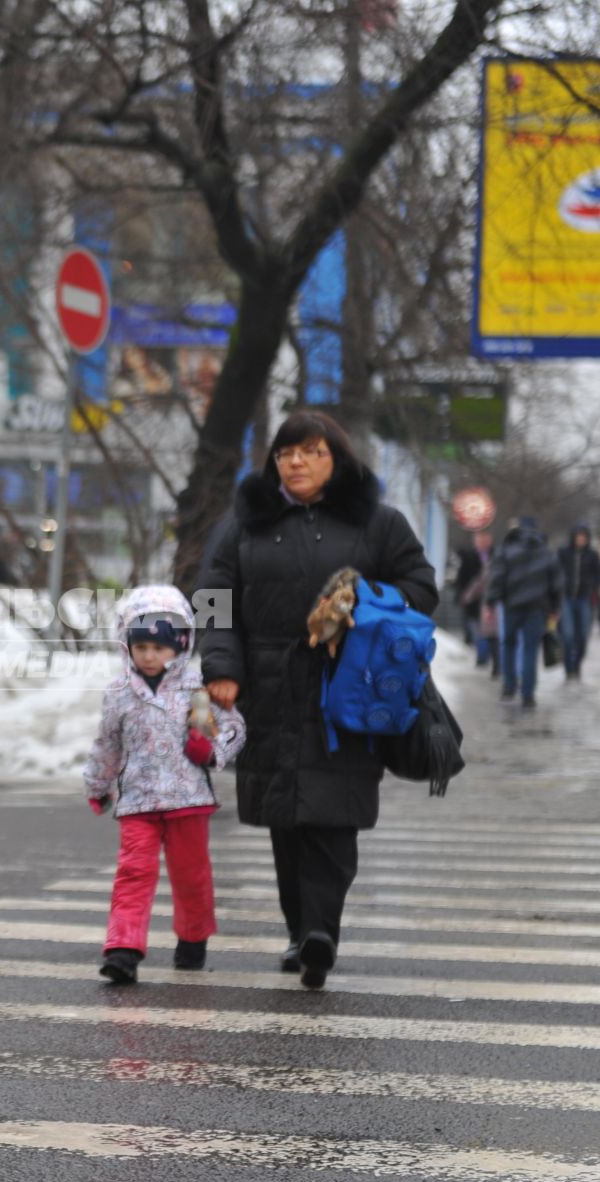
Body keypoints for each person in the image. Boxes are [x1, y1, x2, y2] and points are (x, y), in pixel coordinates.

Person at [196, 410, 437, 991]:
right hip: (270, 688)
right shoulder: (244, 525)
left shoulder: (378, 524)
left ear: (337, 459)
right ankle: (299, 928)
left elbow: (421, 588)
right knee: (287, 819)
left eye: (310, 451)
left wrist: (362, 600)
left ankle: (321, 930)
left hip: (346, 690)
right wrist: (222, 666)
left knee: (334, 814)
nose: (296, 462)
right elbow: (212, 597)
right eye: (286, 453)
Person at [84, 585, 247, 983]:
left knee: (191, 875)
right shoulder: (119, 693)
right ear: (128, 646)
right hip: (138, 802)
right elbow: (108, 744)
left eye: (159, 648)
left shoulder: (197, 688)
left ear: (181, 645)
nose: (150, 656)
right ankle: (123, 948)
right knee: (133, 874)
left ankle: (193, 939)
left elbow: (233, 728)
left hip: (188, 799)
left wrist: (211, 751)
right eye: (141, 647)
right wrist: (98, 785)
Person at [487, 515, 561, 709]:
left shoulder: (507, 550)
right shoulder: (546, 552)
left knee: (508, 645)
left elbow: (497, 577)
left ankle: (509, 687)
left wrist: (490, 602)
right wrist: (555, 608)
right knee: (530, 649)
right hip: (537, 608)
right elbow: (556, 584)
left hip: (512, 606)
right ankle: (528, 695)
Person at [556, 524, 600, 681]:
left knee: (583, 635)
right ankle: (568, 667)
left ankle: (577, 664)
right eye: (578, 536)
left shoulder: (592, 555)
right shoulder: (563, 553)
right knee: (568, 635)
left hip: (584, 598)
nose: (581, 539)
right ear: (573, 537)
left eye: (584, 536)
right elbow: (554, 571)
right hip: (566, 598)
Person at [451, 529, 497, 671]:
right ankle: (482, 656)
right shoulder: (468, 556)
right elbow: (461, 578)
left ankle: (486, 657)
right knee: (476, 630)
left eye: (485, 539)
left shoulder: (495, 555)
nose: (482, 542)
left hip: (490, 600)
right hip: (472, 601)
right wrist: (461, 595)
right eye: (479, 539)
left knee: (488, 631)